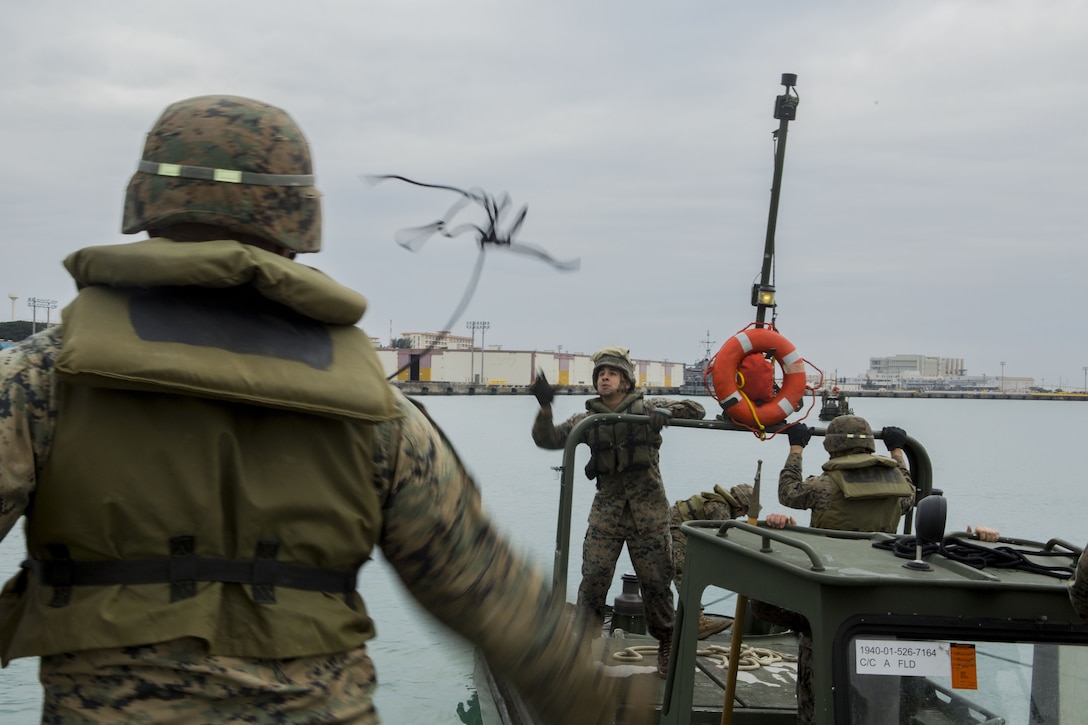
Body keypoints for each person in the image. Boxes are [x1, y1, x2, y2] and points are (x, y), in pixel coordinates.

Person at [0, 95, 628, 724]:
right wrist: (607, 704)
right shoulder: (378, 411)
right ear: (299, 217)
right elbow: (487, 592)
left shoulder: (41, 379)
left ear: (145, 202)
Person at [531, 346, 706, 677]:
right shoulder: (588, 420)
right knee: (593, 579)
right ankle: (582, 644)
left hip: (649, 513)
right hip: (607, 514)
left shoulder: (647, 408)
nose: (604, 378)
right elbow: (549, 439)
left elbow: (696, 409)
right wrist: (544, 406)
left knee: (656, 583)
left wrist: (668, 413)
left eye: (611, 373)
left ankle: (667, 642)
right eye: (600, 374)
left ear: (626, 381)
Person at [757, 415, 915, 724]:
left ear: (831, 448)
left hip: (829, 591)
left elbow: (788, 493)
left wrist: (797, 448)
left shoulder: (823, 486)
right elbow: (910, 488)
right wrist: (897, 450)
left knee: (815, 680)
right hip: (878, 594)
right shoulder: (897, 484)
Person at [669, 483, 753, 639]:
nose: (743, 515)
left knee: (684, 572)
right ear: (737, 502)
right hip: (675, 528)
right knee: (684, 572)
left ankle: (687, 617)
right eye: (744, 510)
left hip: (679, 529)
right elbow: (723, 541)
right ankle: (697, 621)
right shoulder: (719, 508)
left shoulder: (720, 505)